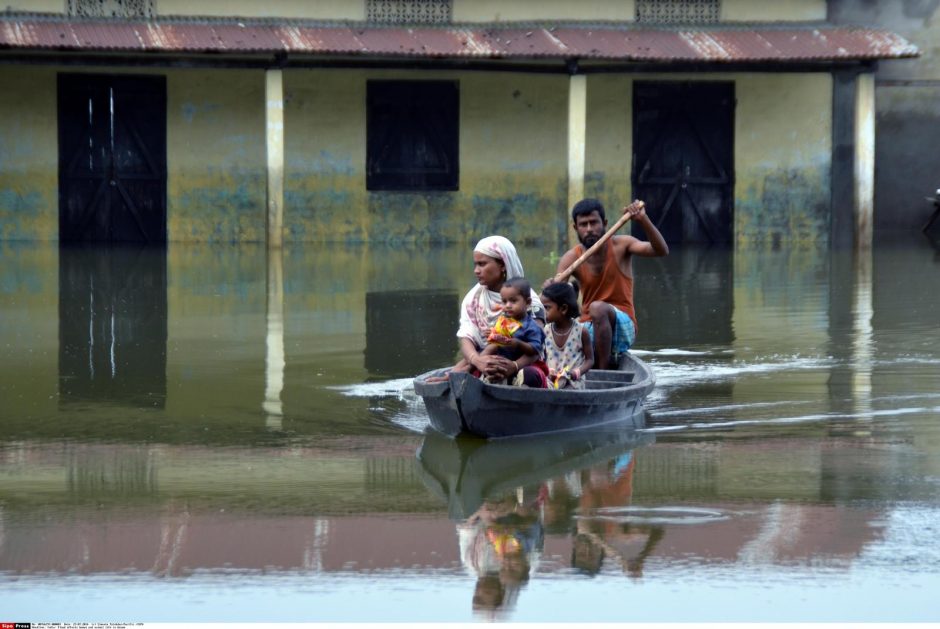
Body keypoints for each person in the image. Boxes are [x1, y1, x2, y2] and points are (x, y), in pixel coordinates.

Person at [549, 198, 668, 369]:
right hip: (587, 327)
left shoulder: (622, 245)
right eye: (583, 225)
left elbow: (661, 250)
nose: (589, 229)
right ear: (576, 228)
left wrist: (643, 219)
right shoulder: (571, 258)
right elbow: (556, 301)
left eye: (594, 223)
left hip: (623, 326)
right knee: (559, 325)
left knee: (598, 308)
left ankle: (603, 371)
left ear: (604, 223)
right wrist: (552, 288)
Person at [431, 236, 544, 384]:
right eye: (475, 265)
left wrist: (514, 366)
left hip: (524, 363)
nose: (476, 271)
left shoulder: (529, 301)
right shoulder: (473, 299)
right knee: (464, 377)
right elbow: (467, 338)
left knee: (528, 376)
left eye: (482, 264)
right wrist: (477, 361)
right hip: (485, 360)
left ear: (502, 265)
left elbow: (536, 347)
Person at [477, 278, 548, 387]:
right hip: (505, 363)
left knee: (529, 373)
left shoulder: (532, 326)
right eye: (504, 301)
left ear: (528, 302)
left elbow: (535, 349)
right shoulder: (503, 322)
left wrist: (518, 343)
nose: (508, 305)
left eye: (513, 301)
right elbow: (498, 342)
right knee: (489, 366)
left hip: (526, 365)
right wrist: (493, 335)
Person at [541, 281, 594, 389]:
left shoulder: (581, 332)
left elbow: (590, 360)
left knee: (568, 392)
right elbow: (541, 357)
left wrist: (576, 373)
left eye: (547, 308)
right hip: (550, 380)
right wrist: (547, 370)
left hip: (573, 382)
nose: (543, 311)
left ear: (563, 309)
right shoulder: (545, 331)